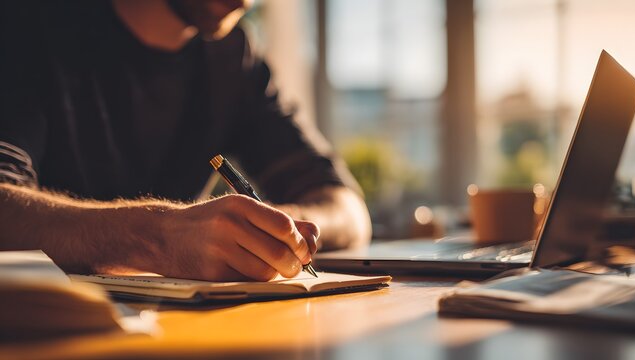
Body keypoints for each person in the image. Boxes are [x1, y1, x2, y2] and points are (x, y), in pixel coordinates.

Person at [0, 0, 371, 282]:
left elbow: (348, 209)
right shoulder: (26, 25)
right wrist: (159, 238)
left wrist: (273, 230)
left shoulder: (233, 57)